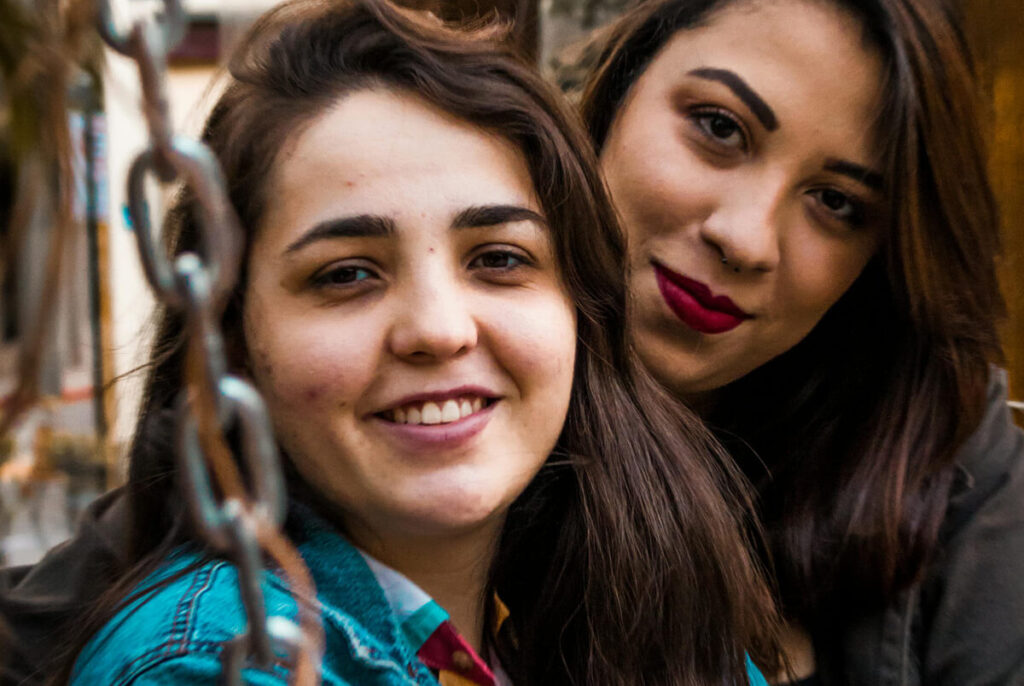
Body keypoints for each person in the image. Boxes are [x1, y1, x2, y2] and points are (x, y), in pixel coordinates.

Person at [7, 0, 780, 683]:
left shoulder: (623, 602)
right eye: (347, 274)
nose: (439, 330)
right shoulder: (218, 662)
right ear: (233, 349)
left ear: (579, 311)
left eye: (499, 259)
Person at [577, 0, 1024, 684]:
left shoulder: (946, 452)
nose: (746, 240)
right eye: (720, 127)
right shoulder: (440, 382)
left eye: (836, 202)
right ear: (619, 92)